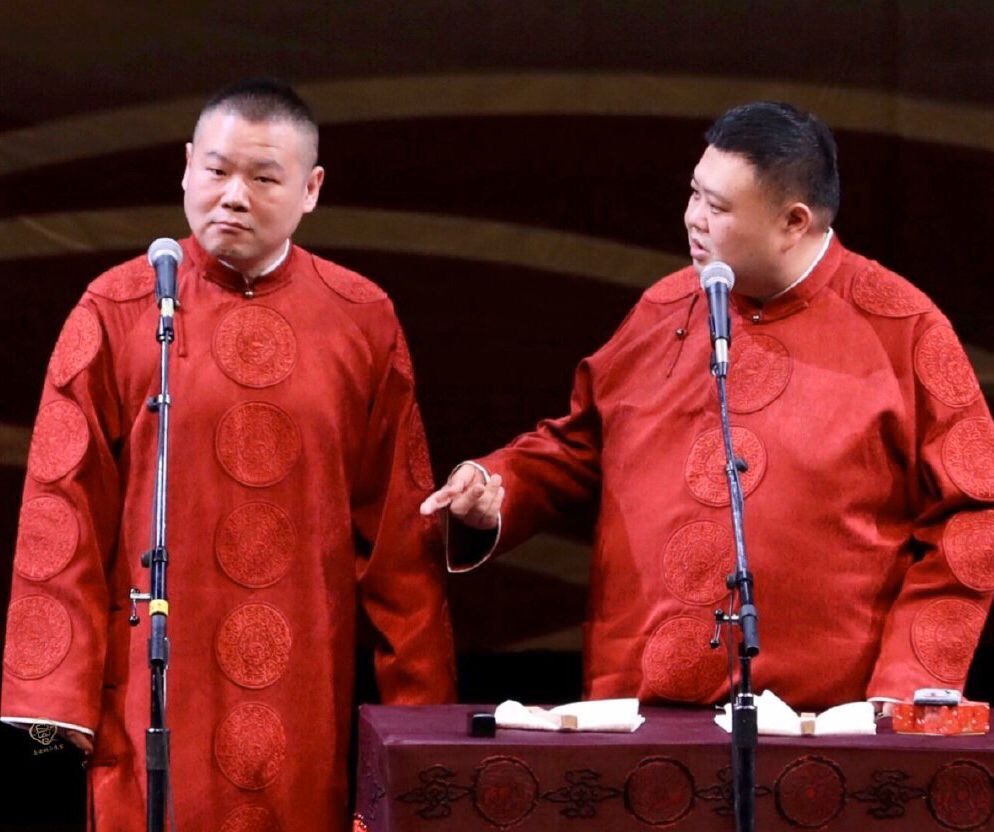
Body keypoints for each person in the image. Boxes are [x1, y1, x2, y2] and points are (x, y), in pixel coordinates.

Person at [422, 101, 994, 712]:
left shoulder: (902, 329)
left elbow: (972, 513)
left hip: (821, 722)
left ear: (793, 221)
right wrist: (495, 487)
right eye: (694, 193)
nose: (692, 218)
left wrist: (906, 690)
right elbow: (578, 446)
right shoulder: (665, 307)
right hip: (638, 710)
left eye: (717, 207)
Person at [1, 79, 455, 831]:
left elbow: (399, 536)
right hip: (152, 680)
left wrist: (419, 712)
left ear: (311, 189)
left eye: (264, 178)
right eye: (215, 171)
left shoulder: (361, 317)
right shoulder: (118, 307)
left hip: (304, 679)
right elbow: (63, 508)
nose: (233, 197)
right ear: (186, 167)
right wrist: (58, 698)